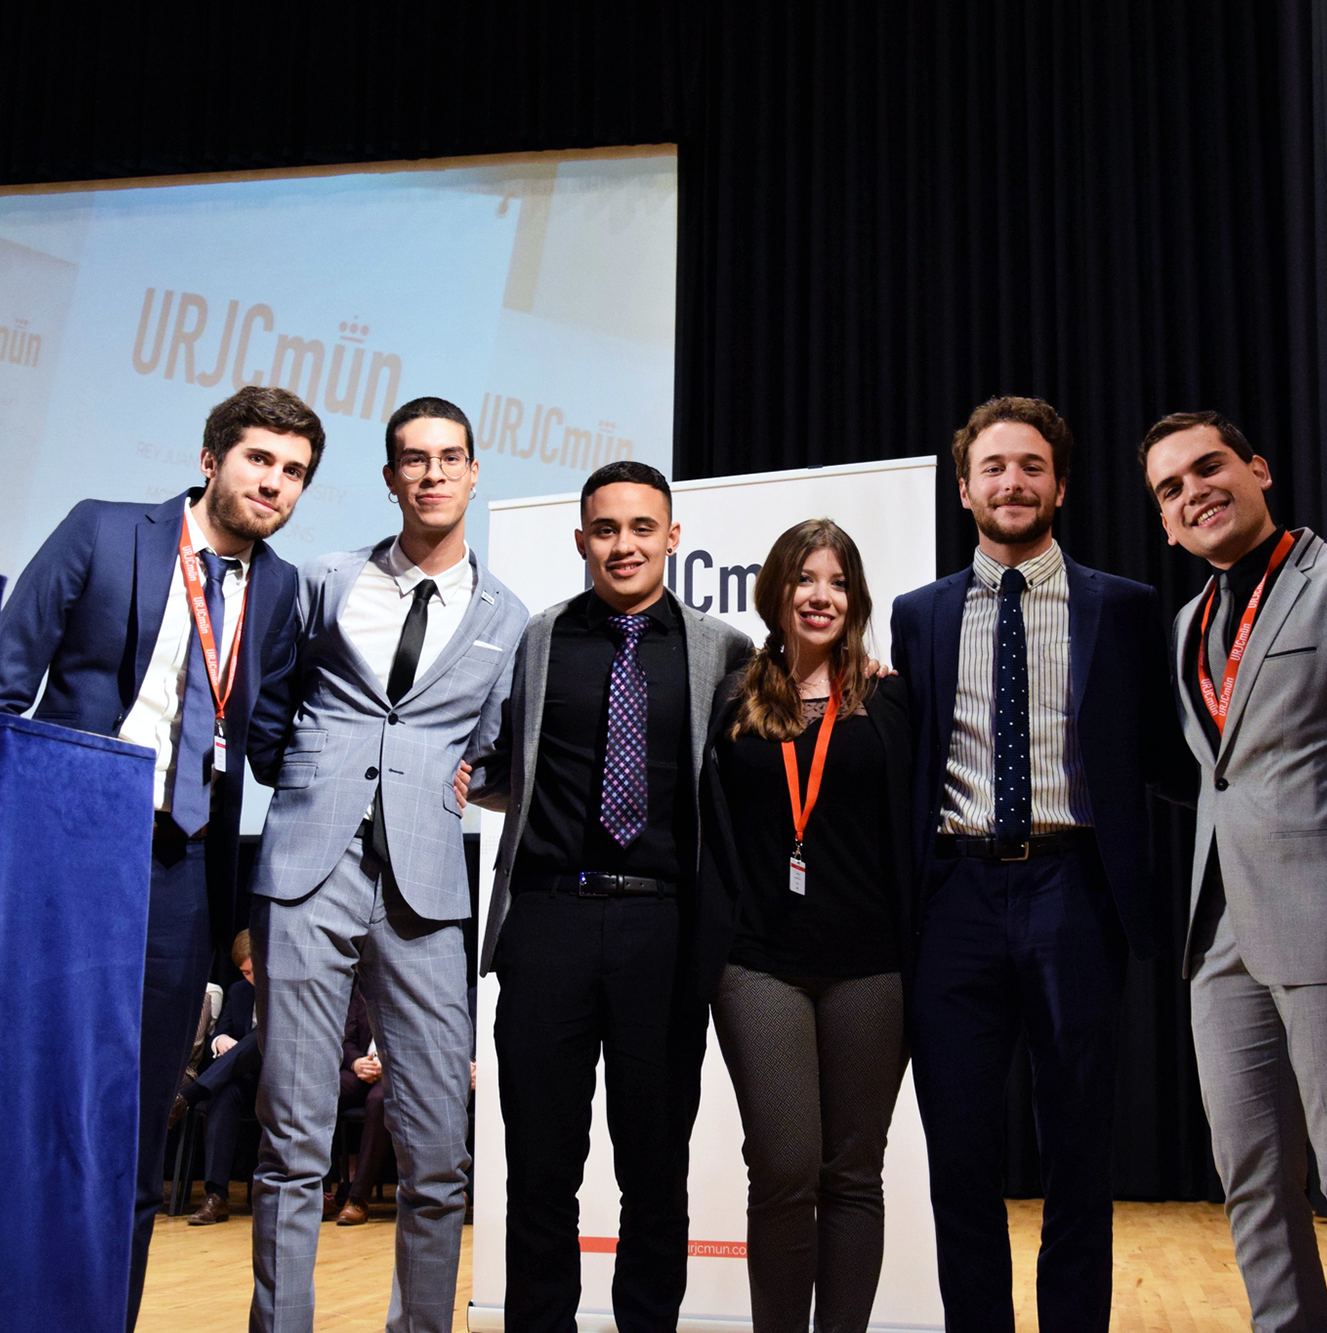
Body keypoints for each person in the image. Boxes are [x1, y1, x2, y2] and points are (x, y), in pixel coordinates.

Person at [0, 385, 319, 1328]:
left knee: (140, 1118)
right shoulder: (102, 530)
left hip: (184, 872)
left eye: (295, 472)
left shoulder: (281, 589)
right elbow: (1, 689)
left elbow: (269, 742)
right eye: (260, 459)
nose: (276, 482)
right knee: (34, 1097)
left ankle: (106, 1312)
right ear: (211, 459)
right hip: (67, 851)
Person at [889, 396, 1185, 1333]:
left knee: (1080, 1151)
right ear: (965, 488)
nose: (1011, 482)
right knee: (959, 1155)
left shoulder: (1125, 607)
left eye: (1030, 466)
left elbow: (1165, 753)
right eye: (993, 467)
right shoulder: (917, 615)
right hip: (955, 896)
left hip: (1075, 888)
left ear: (1060, 485)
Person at [1140, 411, 1327, 1333]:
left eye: (1209, 467)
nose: (1194, 492)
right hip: (1217, 933)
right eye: (1171, 488)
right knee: (1251, 1177)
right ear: (1166, 523)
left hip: (1325, 924)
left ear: (1258, 469)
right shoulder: (1184, 623)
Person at [247, 396, 527, 1333]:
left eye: (450, 458)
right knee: (292, 1139)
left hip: (426, 887)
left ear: (474, 473)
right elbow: (270, 702)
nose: (433, 473)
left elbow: (496, 751)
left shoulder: (507, 616)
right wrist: (302, 773)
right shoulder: (323, 580)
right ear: (390, 475)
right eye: (415, 458)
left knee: (439, 1149)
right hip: (307, 868)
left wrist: (465, 781)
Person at [472, 460, 753, 1333]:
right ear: (581, 540)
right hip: (547, 920)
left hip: (664, 929)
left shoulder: (723, 650)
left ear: (673, 536)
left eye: (641, 527)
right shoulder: (541, 637)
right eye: (605, 529)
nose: (623, 544)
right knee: (539, 1168)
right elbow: (493, 759)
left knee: (655, 1169)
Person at [699, 519, 915, 1333]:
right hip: (758, 962)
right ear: (776, 591)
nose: (821, 595)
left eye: (838, 581)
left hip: (872, 964)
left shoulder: (890, 698)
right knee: (785, 1168)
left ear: (855, 598)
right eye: (804, 578)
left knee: (853, 1174)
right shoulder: (731, 696)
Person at [177, 930, 261, 1225]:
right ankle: (216, 1196)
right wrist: (220, 1040)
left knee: (262, 1034)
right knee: (223, 1095)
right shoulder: (239, 991)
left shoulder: (286, 990)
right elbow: (221, 1031)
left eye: (254, 971)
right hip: (244, 1079)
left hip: (279, 1080)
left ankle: (189, 1095)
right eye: (245, 973)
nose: (251, 978)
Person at [331, 982, 396, 1227]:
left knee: (379, 1100)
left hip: (397, 1071)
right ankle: (321, 1192)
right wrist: (357, 1063)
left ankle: (357, 1199)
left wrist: (387, 1064)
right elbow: (346, 1040)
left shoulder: (414, 985)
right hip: (363, 1067)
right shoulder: (364, 989)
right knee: (326, 1089)